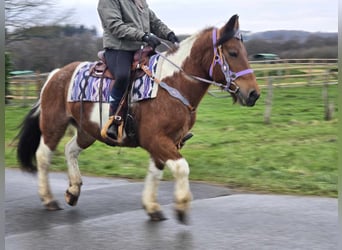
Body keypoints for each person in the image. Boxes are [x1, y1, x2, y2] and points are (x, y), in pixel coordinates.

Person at [97, 0, 180, 139]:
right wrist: (143, 36)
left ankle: (171, 123)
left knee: (166, 71)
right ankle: (114, 119)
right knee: (123, 76)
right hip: (119, 48)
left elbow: (154, 21)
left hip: (141, 49)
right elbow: (115, 26)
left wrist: (170, 34)